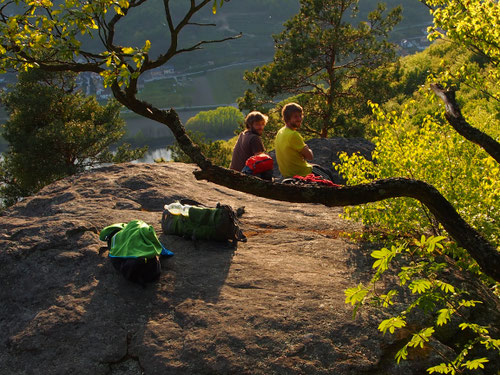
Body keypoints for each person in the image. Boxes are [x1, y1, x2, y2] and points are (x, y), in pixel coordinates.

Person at [274, 102, 333, 181]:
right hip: (302, 172)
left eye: (300, 115)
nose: (299, 119)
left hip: (287, 173)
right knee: (327, 175)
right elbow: (310, 157)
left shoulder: (280, 132)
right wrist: (309, 150)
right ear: (287, 118)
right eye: (295, 116)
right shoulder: (293, 135)